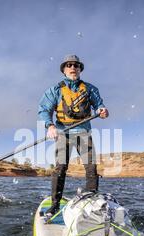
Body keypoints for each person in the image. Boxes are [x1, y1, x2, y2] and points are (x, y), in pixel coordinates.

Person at [38, 54, 109, 216]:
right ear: (64, 70)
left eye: (76, 66)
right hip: (63, 133)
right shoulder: (55, 90)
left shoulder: (90, 89)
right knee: (60, 168)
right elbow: (44, 110)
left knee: (91, 168)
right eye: (69, 65)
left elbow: (99, 105)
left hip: (84, 133)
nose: (73, 68)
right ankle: (55, 205)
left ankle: (92, 205)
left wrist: (102, 110)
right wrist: (49, 126)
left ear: (80, 69)